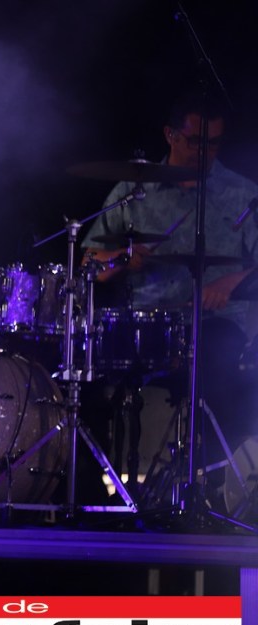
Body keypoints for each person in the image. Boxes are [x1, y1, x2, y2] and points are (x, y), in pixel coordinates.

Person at [79, 91, 258, 496]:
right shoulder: (134, 189)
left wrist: (230, 282)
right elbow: (90, 262)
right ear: (170, 135)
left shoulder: (241, 193)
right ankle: (96, 494)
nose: (205, 152)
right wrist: (122, 259)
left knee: (223, 376)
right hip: (147, 326)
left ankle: (200, 488)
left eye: (214, 143)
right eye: (195, 142)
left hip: (214, 325)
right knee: (82, 378)